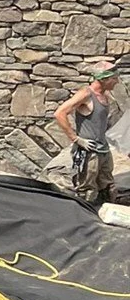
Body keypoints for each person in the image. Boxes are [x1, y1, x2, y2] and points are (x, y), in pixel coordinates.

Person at [55, 62, 122, 206]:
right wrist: (76, 138)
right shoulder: (86, 94)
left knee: (108, 186)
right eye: (114, 78)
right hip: (89, 151)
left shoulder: (105, 95)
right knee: (87, 189)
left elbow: (103, 122)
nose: (117, 81)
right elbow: (60, 113)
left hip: (103, 149)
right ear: (104, 79)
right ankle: (86, 218)